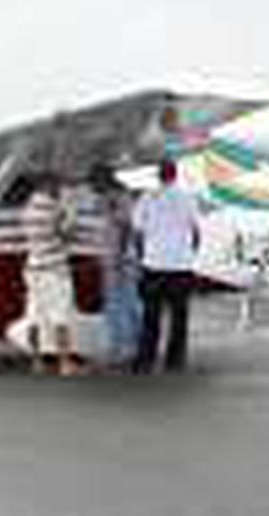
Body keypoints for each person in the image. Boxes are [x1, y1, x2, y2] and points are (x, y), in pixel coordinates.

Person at [130, 158, 203, 373]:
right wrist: (190, 254)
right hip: (181, 265)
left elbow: (137, 230)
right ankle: (175, 360)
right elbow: (197, 230)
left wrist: (142, 254)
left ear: (158, 175)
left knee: (151, 316)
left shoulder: (147, 197)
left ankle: (146, 360)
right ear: (175, 174)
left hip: (154, 263)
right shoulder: (188, 197)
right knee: (179, 316)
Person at [17, 173, 85, 374]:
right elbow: (67, 234)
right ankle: (65, 363)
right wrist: (71, 213)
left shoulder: (27, 210)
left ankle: (36, 361)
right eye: (57, 187)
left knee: (33, 314)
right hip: (53, 268)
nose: (59, 190)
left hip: (32, 265)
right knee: (60, 315)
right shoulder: (53, 209)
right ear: (50, 187)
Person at [91, 168, 143, 367]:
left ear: (103, 180)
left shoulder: (116, 199)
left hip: (118, 261)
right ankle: (135, 346)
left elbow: (124, 228)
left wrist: (118, 258)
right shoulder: (122, 196)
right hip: (121, 259)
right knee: (129, 304)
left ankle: (122, 350)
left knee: (118, 305)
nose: (92, 188)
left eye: (94, 182)